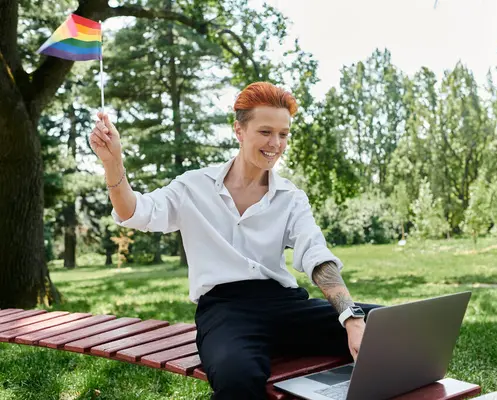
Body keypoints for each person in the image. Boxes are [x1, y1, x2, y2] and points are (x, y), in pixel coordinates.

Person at [89, 82, 379, 400]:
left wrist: (351, 317)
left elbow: (316, 255)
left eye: (284, 134)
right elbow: (135, 212)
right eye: (266, 132)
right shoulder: (193, 186)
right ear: (238, 130)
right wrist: (112, 162)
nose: (276, 144)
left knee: (385, 328)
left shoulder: (291, 198)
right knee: (236, 378)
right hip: (226, 311)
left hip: (286, 306)